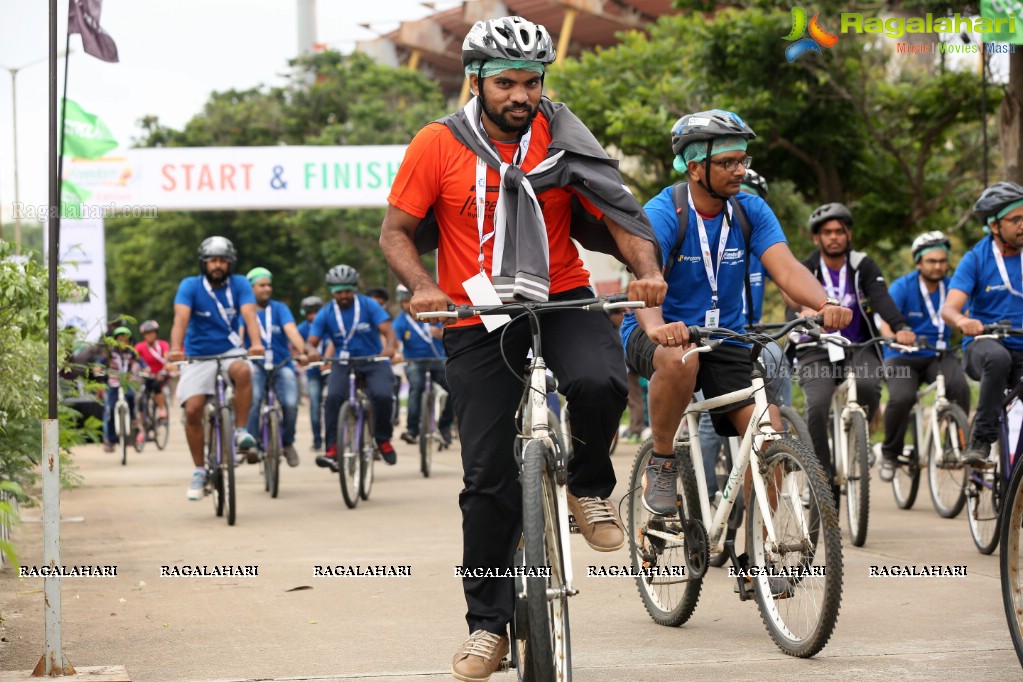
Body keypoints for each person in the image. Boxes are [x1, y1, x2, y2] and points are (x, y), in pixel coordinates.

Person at [378, 16, 666, 679]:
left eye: (531, 82)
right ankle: (487, 627)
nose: (520, 95)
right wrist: (422, 285)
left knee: (598, 382)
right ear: (475, 81)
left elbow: (619, 211)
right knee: (485, 481)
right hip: (476, 310)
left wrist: (645, 270)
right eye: (505, 82)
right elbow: (396, 231)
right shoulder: (437, 143)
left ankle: (589, 488)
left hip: (560, 291)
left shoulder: (562, 133)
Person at [620, 110, 852, 517]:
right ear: (694, 168)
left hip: (723, 336)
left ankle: (754, 555)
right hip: (657, 331)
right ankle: (661, 461)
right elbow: (646, 274)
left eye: (743, 160)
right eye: (727, 162)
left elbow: (787, 268)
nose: (740, 170)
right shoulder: (665, 211)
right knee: (680, 360)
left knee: (769, 431)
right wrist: (658, 327)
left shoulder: (751, 211)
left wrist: (825, 303)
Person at [793, 203, 915, 492]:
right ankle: (822, 476)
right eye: (827, 232)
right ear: (816, 238)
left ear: (849, 234)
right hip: (816, 348)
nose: (833, 237)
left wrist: (900, 327)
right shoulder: (806, 268)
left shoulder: (863, 266)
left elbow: (882, 299)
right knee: (818, 406)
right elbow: (794, 308)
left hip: (858, 346)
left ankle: (858, 438)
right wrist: (802, 316)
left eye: (839, 231)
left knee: (869, 386)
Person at [692, 168, 792, 497]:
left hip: (752, 336)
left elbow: (790, 281)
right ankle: (704, 494)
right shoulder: (704, 240)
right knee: (709, 417)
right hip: (711, 337)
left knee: (778, 359)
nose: (741, 202)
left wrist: (813, 307)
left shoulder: (763, 250)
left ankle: (784, 448)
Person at [168, 236, 264, 501]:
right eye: (213, 261)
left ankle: (241, 431)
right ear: (204, 263)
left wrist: (255, 343)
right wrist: (176, 347)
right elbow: (181, 318)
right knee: (194, 409)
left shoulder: (241, 284)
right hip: (199, 356)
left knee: (244, 371)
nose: (218, 265)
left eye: (223, 260)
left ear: (230, 263)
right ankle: (199, 470)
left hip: (231, 351)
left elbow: (249, 315)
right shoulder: (189, 286)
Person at [877, 231, 971, 481]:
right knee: (901, 397)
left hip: (937, 354)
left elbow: (968, 313)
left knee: (959, 386)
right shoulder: (903, 286)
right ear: (918, 262)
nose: (938, 266)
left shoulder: (953, 287)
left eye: (942, 261)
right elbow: (885, 321)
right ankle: (890, 453)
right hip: (902, 355)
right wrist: (893, 336)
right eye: (931, 261)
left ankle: (956, 446)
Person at [941, 182, 1023, 467]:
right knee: (998, 358)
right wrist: (964, 320)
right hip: (984, 347)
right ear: (995, 225)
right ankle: (981, 439)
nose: (1022, 225)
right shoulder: (976, 258)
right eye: (1016, 219)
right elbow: (949, 309)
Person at [304, 264, 399, 466]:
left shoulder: (368, 305)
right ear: (332, 292)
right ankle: (332, 449)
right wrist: (311, 351)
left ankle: (383, 439)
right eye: (339, 292)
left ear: (354, 289)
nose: (344, 295)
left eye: (348, 290)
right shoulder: (326, 312)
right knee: (332, 398)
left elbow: (388, 331)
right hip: (343, 362)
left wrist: (390, 347)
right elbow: (311, 342)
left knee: (383, 395)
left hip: (373, 360)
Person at [243, 267, 308, 468]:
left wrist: (304, 350)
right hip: (255, 365)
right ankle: (251, 442)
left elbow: (291, 330)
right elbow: (237, 332)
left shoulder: (279, 308)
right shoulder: (244, 309)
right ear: (251, 287)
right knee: (252, 399)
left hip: (282, 364)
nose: (267, 289)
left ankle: (287, 443)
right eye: (262, 285)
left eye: (269, 285)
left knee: (290, 403)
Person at [393, 284, 454, 445]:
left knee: (454, 388)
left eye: (409, 300)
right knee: (416, 388)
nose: (407, 305)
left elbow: (450, 329)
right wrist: (397, 353)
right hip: (414, 362)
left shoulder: (432, 313)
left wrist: (440, 334)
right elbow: (395, 341)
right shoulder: (400, 321)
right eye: (404, 302)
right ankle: (412, 430)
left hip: (437, 359)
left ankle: (445, 426)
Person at [296, 295, 331, 451]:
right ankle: (317, 439)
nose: (313, 316)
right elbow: (296, 347)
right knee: (315, 404)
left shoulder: (328, 324)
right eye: (309, 312)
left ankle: (333, 438)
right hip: (312, 371)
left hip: (330, 368)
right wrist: (302, 357)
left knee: (332, 401)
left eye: (316, 311)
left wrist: (328, 360)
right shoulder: (302, 328)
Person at [101, 326, 140, 452]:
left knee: (131, 397)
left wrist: (145, 368)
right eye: (120, 339)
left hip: (128, 382)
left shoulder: (132, 352)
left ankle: (133, 419)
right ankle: (110, 440)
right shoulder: (110, 353)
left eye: (125, 339)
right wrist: (97, 367)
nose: (123, 341)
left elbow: (140, 362)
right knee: (111, 409)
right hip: (114, 383)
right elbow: (100, 362)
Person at [134, 320, 171, 421]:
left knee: (156, 385)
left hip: (161, 373)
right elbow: (133, 357)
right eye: (147, 333)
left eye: (151, 332)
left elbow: (166, 356)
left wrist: (166, 366)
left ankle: (161, 409)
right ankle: (142, 425)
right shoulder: (140, 347)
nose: (149, 335)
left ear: (156, 333)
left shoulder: (163, 345)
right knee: (141, 396)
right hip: (147, 375)